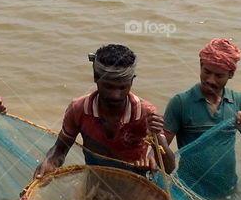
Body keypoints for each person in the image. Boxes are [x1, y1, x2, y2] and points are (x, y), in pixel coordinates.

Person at [34, 45, 174, 179]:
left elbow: (169, 168)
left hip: (135, 187)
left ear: (131, 81)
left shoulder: (146, 113)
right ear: (95, 77)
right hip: (94, 181)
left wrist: (158, 143)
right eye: (108, 86)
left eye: (122, 87)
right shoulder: (79, 108)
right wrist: (49, 163)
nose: (115, 95)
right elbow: (60, 148)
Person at [163, 39, 241, 198]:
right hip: (189, 191)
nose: (210, 80)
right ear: (200, 65)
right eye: (206, 71)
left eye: (219, 75)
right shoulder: (180, 103)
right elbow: (160, 153)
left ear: (231, 74)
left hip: (227, 190)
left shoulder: (239, 101)